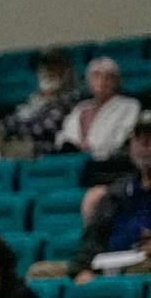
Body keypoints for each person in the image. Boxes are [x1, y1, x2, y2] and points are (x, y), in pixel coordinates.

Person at [61, 112, 151, 281]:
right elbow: (93, 239)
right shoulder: (118, 191)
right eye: (142, 139)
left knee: (140, 270)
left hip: (142, 266)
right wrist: (82, 269)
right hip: (109, 263)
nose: (147, 147)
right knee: (40, 272)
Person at [0, 47, 78, 163]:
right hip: (11, 141)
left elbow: (40, 130)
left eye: (54, 69)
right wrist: (0, 128)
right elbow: (10, 121)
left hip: (33, 148)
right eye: (45, 69)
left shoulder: (64, 102)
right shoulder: (33, 100)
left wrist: (9, 128)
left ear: (65, 73)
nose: (47, 74)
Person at [58, 56, 143, 161]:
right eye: (96, 76)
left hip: (108, 163)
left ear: (117, 81)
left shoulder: (130, 105)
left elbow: (122, 139)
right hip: (74, 160)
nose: (103, 81)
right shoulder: (81, 107)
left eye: (109, 77)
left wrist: (92, 148)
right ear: (89, 81)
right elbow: (63, 137)